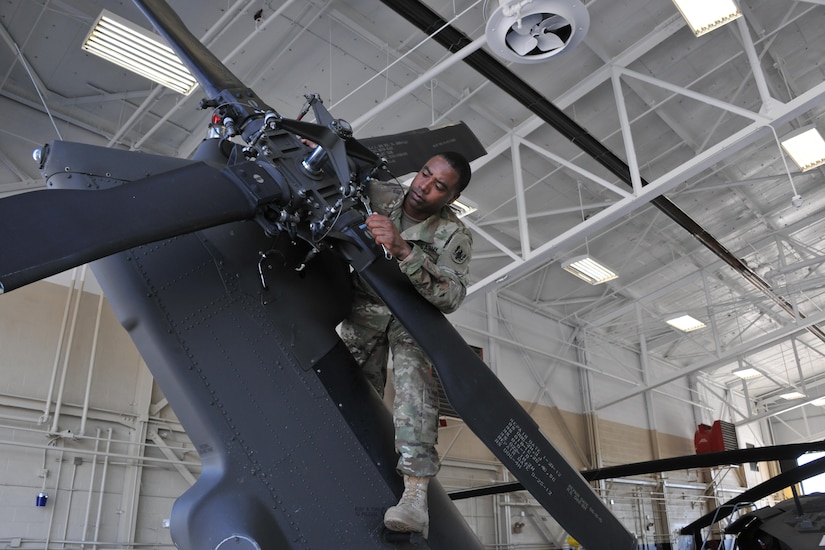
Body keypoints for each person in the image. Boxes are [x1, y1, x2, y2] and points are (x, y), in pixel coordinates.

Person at [339, 151, 472, 535]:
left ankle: (415, 495)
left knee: (415, 382)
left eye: (438, 187)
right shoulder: (379, 195)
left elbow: (451, 297)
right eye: (425, 174)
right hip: (363, 308)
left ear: (451, 198)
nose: (423, 187)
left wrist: (405, 251)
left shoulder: (454, 235)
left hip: (411, 317)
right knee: (345, 387)